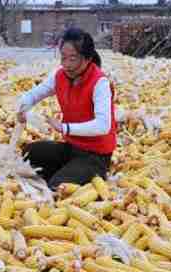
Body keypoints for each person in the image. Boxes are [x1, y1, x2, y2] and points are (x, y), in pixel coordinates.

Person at [17, 27, 117, 191]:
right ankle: (70, 170)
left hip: (96, 155)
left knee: (58, 187)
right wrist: (23, 108)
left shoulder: (100, 83)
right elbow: (34, 94)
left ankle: (82, 173)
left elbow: (102, 126)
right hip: (72, 148)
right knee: (29, 153)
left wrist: (65, 128)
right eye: (63, 58)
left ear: (88, 58)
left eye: (73, 59)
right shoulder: (60, 75)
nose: (67, 65)